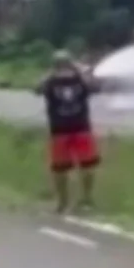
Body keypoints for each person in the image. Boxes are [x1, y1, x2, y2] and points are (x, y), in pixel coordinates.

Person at [34, 50, 100, 214]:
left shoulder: (80, 79)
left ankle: (87, 199)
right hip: (59, 130)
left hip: (81, 128)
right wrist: (51, 73)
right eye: (60, 64)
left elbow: (94, 87)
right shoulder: (51, 82)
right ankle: (62, 202)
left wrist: (79, 71)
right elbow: (37, 89)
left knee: (87, 165)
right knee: (60, 169)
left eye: (66, 64)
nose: (63, 68)